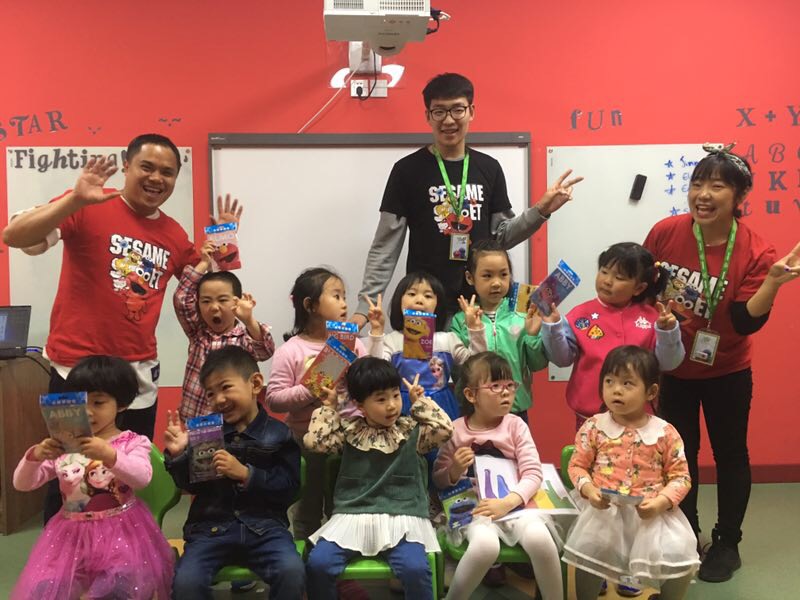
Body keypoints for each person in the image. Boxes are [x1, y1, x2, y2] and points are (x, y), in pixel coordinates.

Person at [1, 133, 242, 441]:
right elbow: (14, 236)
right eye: (147, 167)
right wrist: (73, 201)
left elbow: (211, 291)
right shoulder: (87, 204)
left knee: (133, 464)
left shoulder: (173, 234)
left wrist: (225, 241)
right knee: (69, 463)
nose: (156, 178)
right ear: (127, 166)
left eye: (167, 172)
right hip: (73, 368)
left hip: (137, 376)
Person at [642, 143, 800, 582]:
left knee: (730, 453)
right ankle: (686, 534)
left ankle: (727, 542)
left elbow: (744, 321)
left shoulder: (756, 250)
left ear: (740, 196)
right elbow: (644, 288)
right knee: (679, 454)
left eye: (716, 186)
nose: (703, 195)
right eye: (697, 184)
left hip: (727, 369)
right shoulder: (665, 232)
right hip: (672, 368)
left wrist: (772, 283)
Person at [352, 72, 583, 324]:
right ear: (428, 116)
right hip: (427, 304)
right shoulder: (406, 171)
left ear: (471, 111)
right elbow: (385, 246)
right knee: (423, 354)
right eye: (439, 111)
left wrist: (540, 211)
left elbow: (501, 238)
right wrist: (364, 308)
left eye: (457, 110)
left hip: (481, 304)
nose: (448, 120)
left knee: (481, 351)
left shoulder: (489, 168)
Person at [11, 355, 174, 600]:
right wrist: (35, 456)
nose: (87, 411)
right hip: (70, 535)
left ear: (121, 404)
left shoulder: (132, 442)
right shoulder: (64, 445)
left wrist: (110, 455)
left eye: (98, 402)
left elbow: (142, 478)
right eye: (80, 402)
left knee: (117, 589)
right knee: (47, 589)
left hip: (121, 532)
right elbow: (22, 484)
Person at [304, 357, 453, 600]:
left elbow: (445, 430)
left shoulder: (411, 430)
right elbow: (315, 442)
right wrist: (329, 408)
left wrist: (420, 402)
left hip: (403, 517)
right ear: (359, 404)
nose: (392, 405)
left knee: (415, 569)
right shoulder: (349, 430)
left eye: (395, 395)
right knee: (319, 563)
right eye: (381, 399)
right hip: (353, 515)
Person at [165, 346, 305, 600]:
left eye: (226, 387)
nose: (218, 399)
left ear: (256, 384)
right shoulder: (206, 434)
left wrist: (247, 475)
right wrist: (178, 456)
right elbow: (190, 484)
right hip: (211, 529)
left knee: (292, 571)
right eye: (211, 393)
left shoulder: (279, 434)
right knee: (186, 582)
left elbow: (289, 487)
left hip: (265, 529)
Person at [562, 346, 700, 600]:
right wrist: (589, 490)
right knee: (589, 551)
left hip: (650, 514)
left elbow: (681, 477)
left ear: (651, 392)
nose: (616, 390)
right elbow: (577, 465)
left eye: (627, 383)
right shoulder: (594, 426)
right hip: (603, 512)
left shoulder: (665, 432)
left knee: (681, 553)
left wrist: (661, 502)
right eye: (609, 381)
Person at [432, 351, 562, 600]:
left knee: (540, 539)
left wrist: (508, 502)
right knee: (485, 546)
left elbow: (533, 472)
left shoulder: (515, 425)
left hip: (515, 503)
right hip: (474, 508)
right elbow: (438, 479)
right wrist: (454, 470)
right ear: (471, 395)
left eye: (510, 385)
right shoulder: (456, 430)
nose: (506, 392)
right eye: (495, 386)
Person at [265, 267, 367, 541]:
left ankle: (337, 558)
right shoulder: (291, 350)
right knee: (307, 509)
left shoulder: (353, 344)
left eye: (344, 296)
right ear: (310, 305)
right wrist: (313, 386)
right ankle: (305, 559)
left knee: (342, 508)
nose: (344, 304)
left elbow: (370, 385)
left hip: (348, 441)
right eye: (336, 296)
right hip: (304, 444)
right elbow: (274, 399)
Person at [542, 242, 685, 430]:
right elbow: (562, 359)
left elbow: (669, 363)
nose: (607, 281)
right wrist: (553, 326)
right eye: (604, 271)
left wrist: (667, 332)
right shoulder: (579, 315)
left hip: (639, 416)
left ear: (639, 288)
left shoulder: (652, 318)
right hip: (590, 416)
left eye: (619, 277)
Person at [174, 239, 275, 421]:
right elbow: (182, 298)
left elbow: (265, 350)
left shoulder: (244, 337)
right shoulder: (198, 332)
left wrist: (249, 320)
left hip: (233, 420)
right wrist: (204, 263)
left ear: (237, 301)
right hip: (197, 420)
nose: (214, 307)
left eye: (222, 300)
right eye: (206, 301)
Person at [364, 270, 486, 419]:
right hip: (403, 406)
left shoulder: (448, 340)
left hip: (442, 406)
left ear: (438, 305)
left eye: (428, 296)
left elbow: (478, 365)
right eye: (412, 294)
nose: (419, 300)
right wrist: (377, 331)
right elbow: (375, 373)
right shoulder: (392, 341)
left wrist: (475, 329)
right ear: (399, 301)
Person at [450, 240, 549, 421]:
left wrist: (532, 335)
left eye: (503, 274)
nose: (496, 283)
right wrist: (473, 329)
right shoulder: (460, 319)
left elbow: (537, 364)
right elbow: (461, 371)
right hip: (476, 412)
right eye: (487, 276)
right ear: (470, 278)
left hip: (515, 409)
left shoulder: (522, 314)